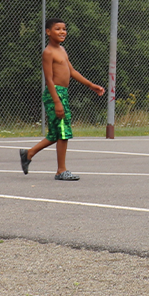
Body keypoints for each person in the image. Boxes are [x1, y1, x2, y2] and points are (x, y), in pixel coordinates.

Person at [19, 18, 104, 181]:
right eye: (57, 29)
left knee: (56, 133)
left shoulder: (62, 50)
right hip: (55, 94)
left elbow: (71, 70)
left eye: (64, 29)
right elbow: (49, 79)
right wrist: (57, 101)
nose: (62, 32)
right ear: (48, 32)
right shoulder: (48, 52)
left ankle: (28, 154)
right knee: (63, 133)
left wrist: (91, 85)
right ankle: (61, 170)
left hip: (63, 93)